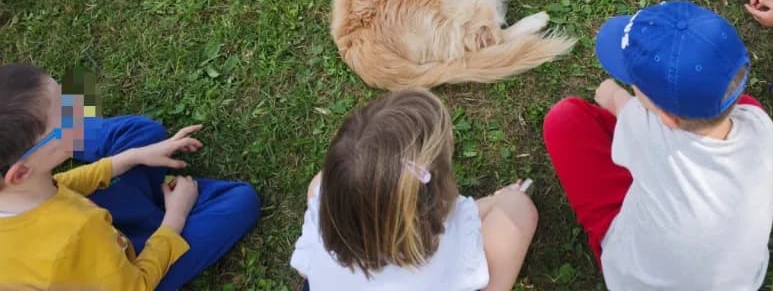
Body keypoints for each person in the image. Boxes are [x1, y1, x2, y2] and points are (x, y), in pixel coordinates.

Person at [543, 1, 773, 291]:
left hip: (636, 279)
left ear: (667, 117)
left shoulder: (647, 131)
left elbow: (611, 99)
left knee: (564, 120)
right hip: (738, 282)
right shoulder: (761, 126)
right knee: (748, 106)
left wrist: (611, 92)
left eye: (635, 83)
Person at [0, 64, 260, 290]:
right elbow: (138, 285)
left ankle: (155, 198)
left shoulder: (21, 193)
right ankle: (164, 211)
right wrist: (174, 220)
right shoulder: (76, 236)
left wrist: (132, 157)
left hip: (99, 235)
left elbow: (64, 185)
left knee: (143, 135)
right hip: (127, 271)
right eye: (67, 119)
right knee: (240, 202)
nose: (79, 108)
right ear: (21, 172)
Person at [291, 88, 537, 291]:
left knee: (317, 184)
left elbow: (305, 269)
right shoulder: (453, 241)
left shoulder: (322, 210)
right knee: (517, 210)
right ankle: (498, 203)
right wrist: (496, 205)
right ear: (436, 201)